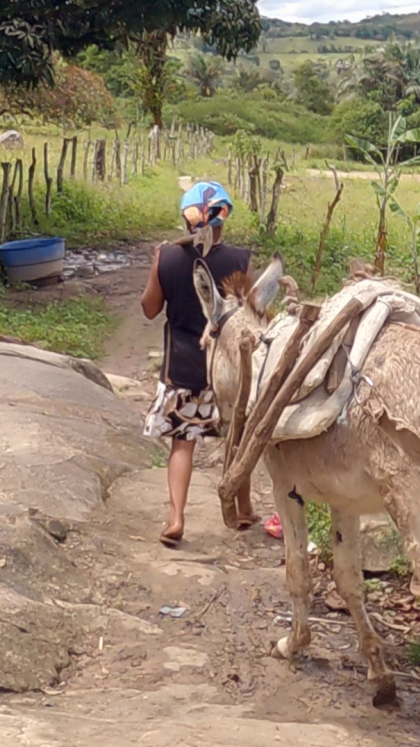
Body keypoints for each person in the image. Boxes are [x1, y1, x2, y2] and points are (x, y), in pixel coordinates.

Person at [141, 181, 258, 547]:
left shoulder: (168, 257)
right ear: (223, 218)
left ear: (186, 220)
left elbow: (149, 309)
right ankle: (243, 508)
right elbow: (252, 316)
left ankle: (176, 518)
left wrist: (155, 268)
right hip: (227, 369)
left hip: (183, 366)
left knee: (182, 442)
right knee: (237, 438)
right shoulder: (240, 260)